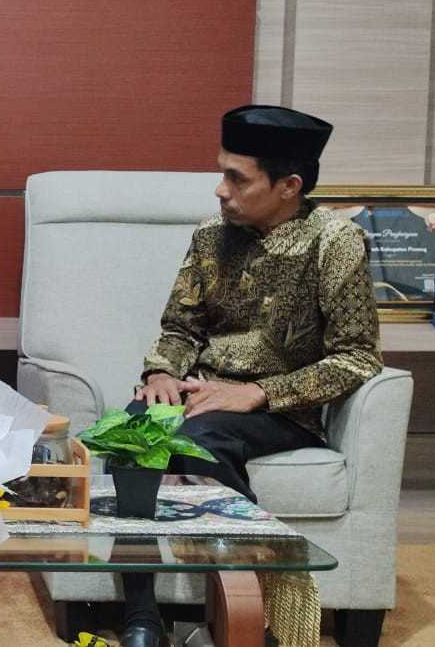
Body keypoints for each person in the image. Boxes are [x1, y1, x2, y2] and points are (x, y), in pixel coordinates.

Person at [118, 105, 383, 647]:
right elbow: (180, 327)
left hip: (281, 409)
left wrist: (258, 392)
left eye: (237, 178)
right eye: (222, 172)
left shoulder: (334, 243)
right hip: (199, 393)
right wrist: (162, 371)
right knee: (130, 432)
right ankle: (142, 616)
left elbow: (357, 356)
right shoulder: (210, 235)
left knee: (199, 438)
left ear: (288, 186)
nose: (220, 190)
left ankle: (248, 618)